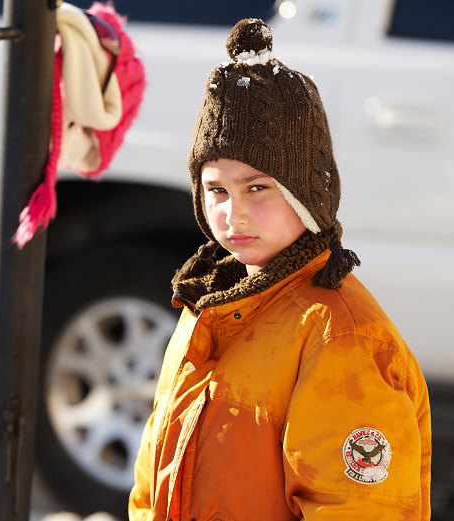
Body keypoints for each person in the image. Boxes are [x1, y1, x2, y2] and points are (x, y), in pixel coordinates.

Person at [128, 18, 431, 521]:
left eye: (258, 188)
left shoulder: (339, 337)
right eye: (217, 190)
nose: (233, 213)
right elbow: (151, 480)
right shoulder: (210, 306)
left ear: (307, 195)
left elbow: (358, 505)